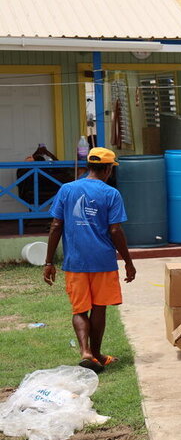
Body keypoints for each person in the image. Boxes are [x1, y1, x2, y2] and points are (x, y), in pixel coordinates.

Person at [43, 147, 136, 373]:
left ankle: (86, 352)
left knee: (79, 309)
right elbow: (115, 231)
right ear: (107, 169)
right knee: (99, 307)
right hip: (102, 261)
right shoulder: (112, 194)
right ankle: (95, 354)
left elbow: (56, 225)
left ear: (88, 167)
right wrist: (128, 261)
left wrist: (48, 262)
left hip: (75, 262)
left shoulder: (67, 190)